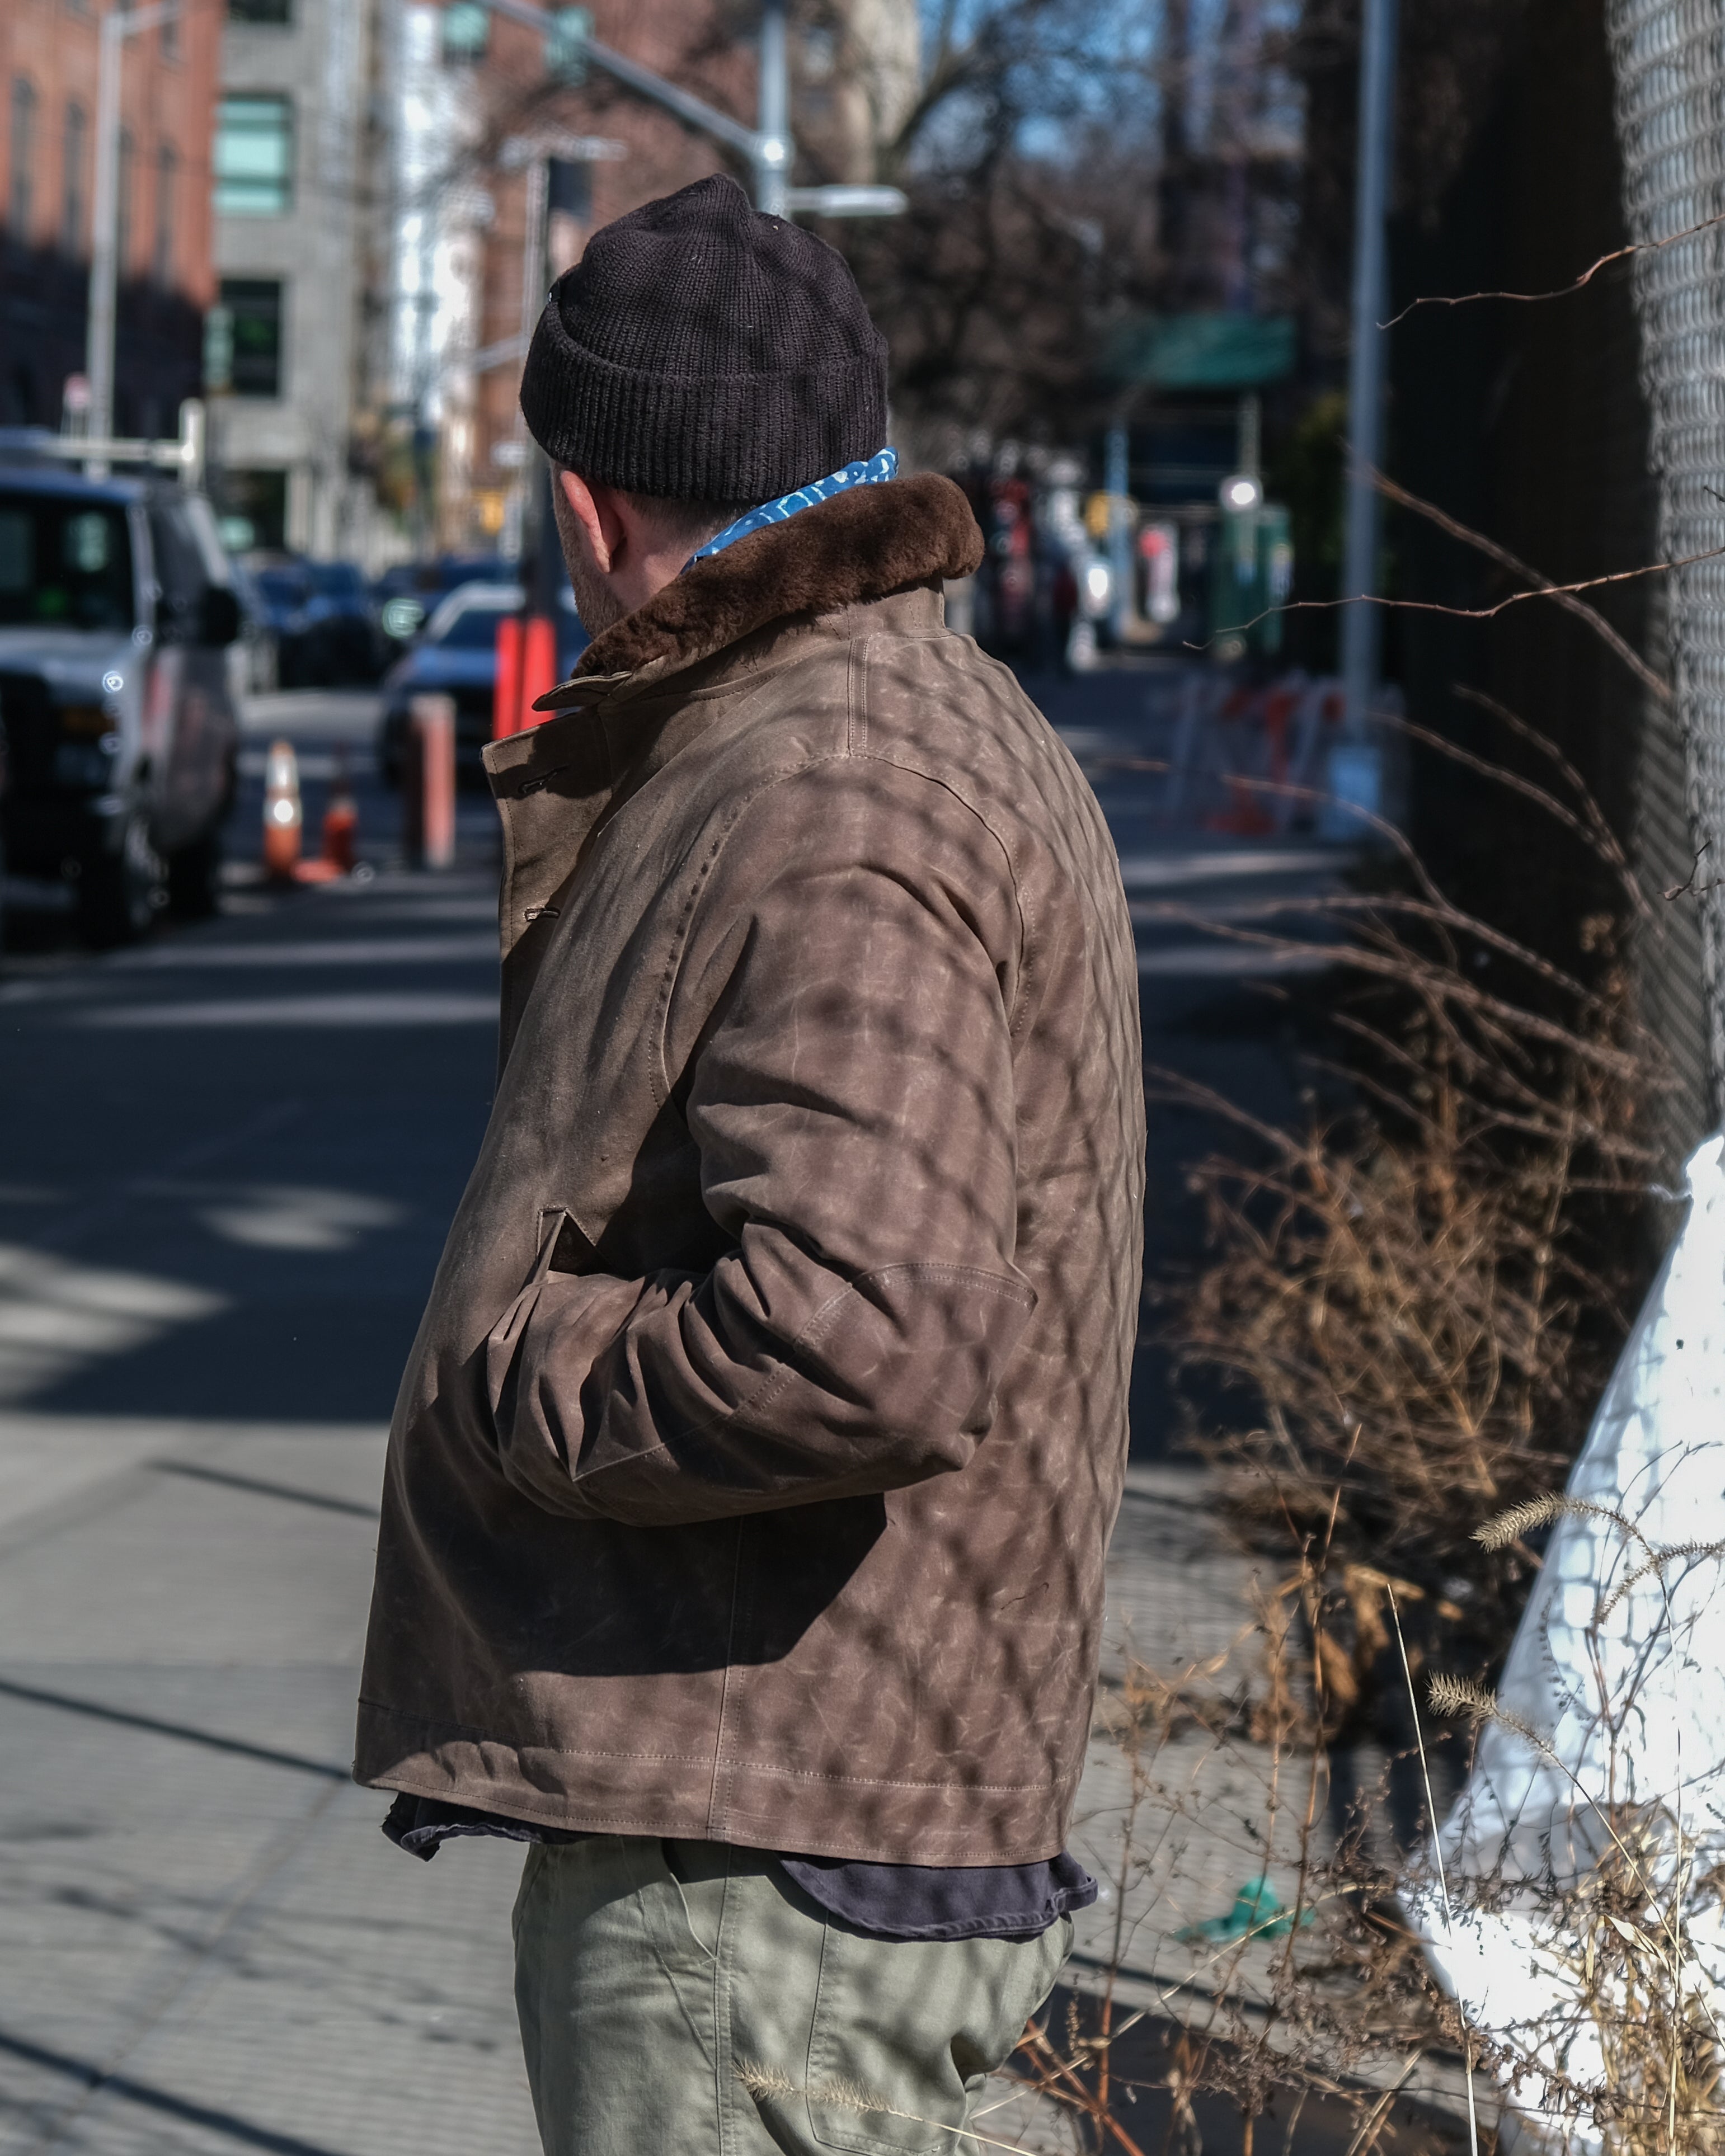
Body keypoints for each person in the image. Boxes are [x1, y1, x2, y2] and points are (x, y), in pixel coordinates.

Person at [355, 173, 1144, 2156]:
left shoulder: (827, 776)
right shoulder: (895, 731)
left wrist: (513, 1377)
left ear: (589, 502)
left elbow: (857, 1337)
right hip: (814, 1811)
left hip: (764, 1856)